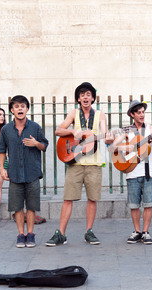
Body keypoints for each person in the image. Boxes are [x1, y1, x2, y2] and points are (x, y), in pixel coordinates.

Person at [46, 82, 113, 246]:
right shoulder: (74, 113)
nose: (85, 97)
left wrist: (109, 138)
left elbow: (105, 134)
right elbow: (58, 131)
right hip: (75, 162)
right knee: (68, 198)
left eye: (88, 94)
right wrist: (72, 131)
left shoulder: (100, 115)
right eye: (82, 94)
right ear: (78, 98)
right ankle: (61, 233)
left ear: (92, 98)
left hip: (94, 163)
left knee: (92, 199)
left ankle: (89, 231)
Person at [109, 100, 152, 245]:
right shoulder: (127, 130)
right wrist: (127, 147)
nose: (142, 115)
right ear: (132, 114)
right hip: (132, 171)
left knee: (148, 203)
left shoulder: (151, 129)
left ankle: (146, 232)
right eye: (138, 112)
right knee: (133, 204)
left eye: (143, 112)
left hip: (149, 172)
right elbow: (112, 147)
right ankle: (137, 231)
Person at [0, 95, 49, 248]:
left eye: (23, 106)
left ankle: (31, 234)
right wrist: (2, 168)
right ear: (12, 110)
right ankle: (21, 235)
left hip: (32, 172)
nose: (20, 108)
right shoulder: (6, 129)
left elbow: (45, 146)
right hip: (14, 173)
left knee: (32, 206)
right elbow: (1, 150)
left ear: (27, 109)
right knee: (17, 206)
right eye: (17, 106)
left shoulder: (35, 127)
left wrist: (36, 143)